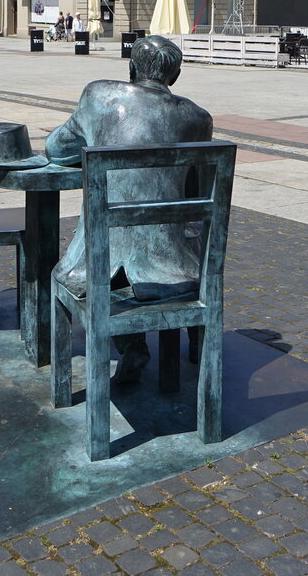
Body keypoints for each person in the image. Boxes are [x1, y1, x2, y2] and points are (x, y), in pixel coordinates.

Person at [46, 36, 213, 383]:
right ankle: (190, 341)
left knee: (102, 258)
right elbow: (197, 193)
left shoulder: (98, 96)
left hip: (97, 262)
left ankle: (132, 345)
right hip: (176, 265)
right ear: (176, 76)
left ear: (131, 68)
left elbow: (57, 150)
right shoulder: (198, 118)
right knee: (185, 232)